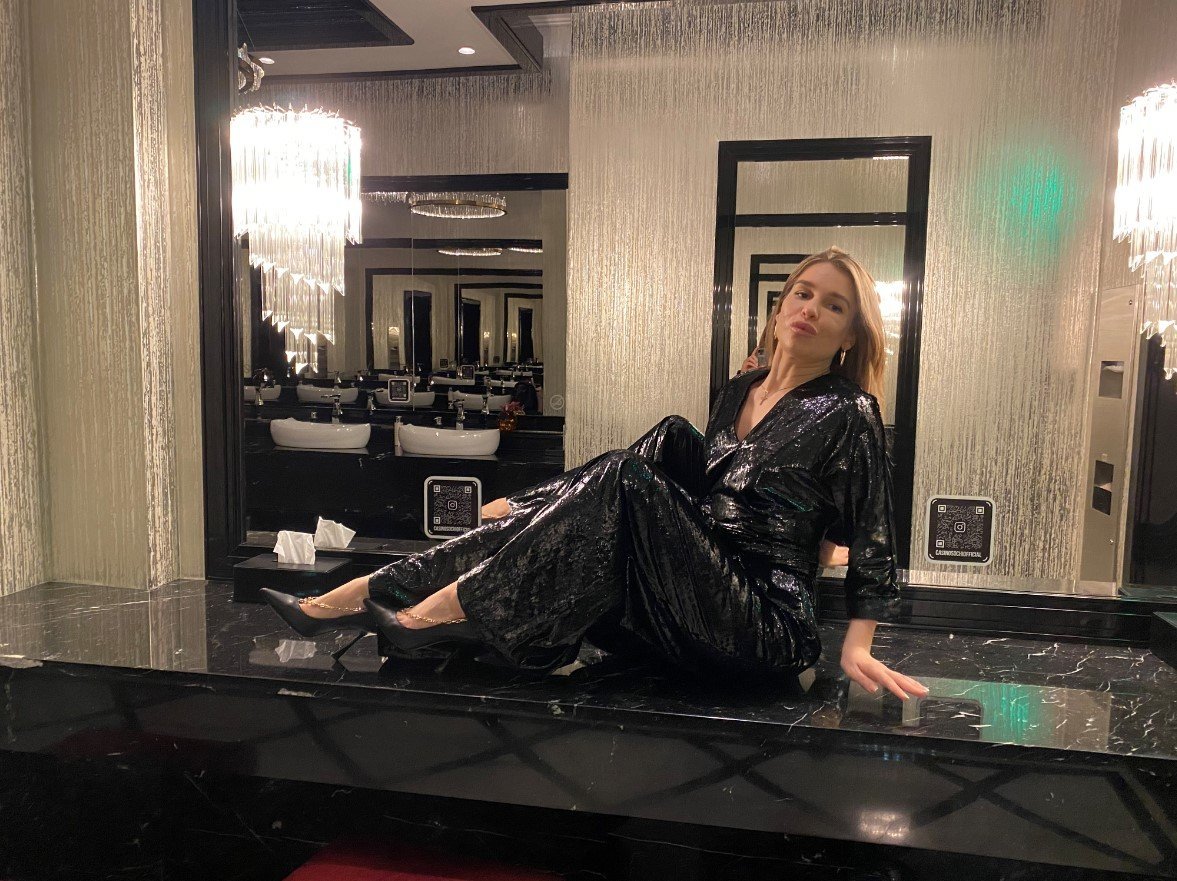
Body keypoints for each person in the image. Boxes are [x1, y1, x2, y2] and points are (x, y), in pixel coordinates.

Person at [263, 247, 928, 702]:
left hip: (762, 625)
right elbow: (710, 495)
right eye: (803, 293)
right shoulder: (739, 391)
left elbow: (871, 535)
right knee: (668, 436)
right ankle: (348, 599)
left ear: (849, 335)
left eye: (833, 306)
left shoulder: (849, 411)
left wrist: (857, 645)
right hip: (693, 595)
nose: (810, 308)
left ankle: (444, 606)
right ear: (779, 309)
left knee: (625, 476)